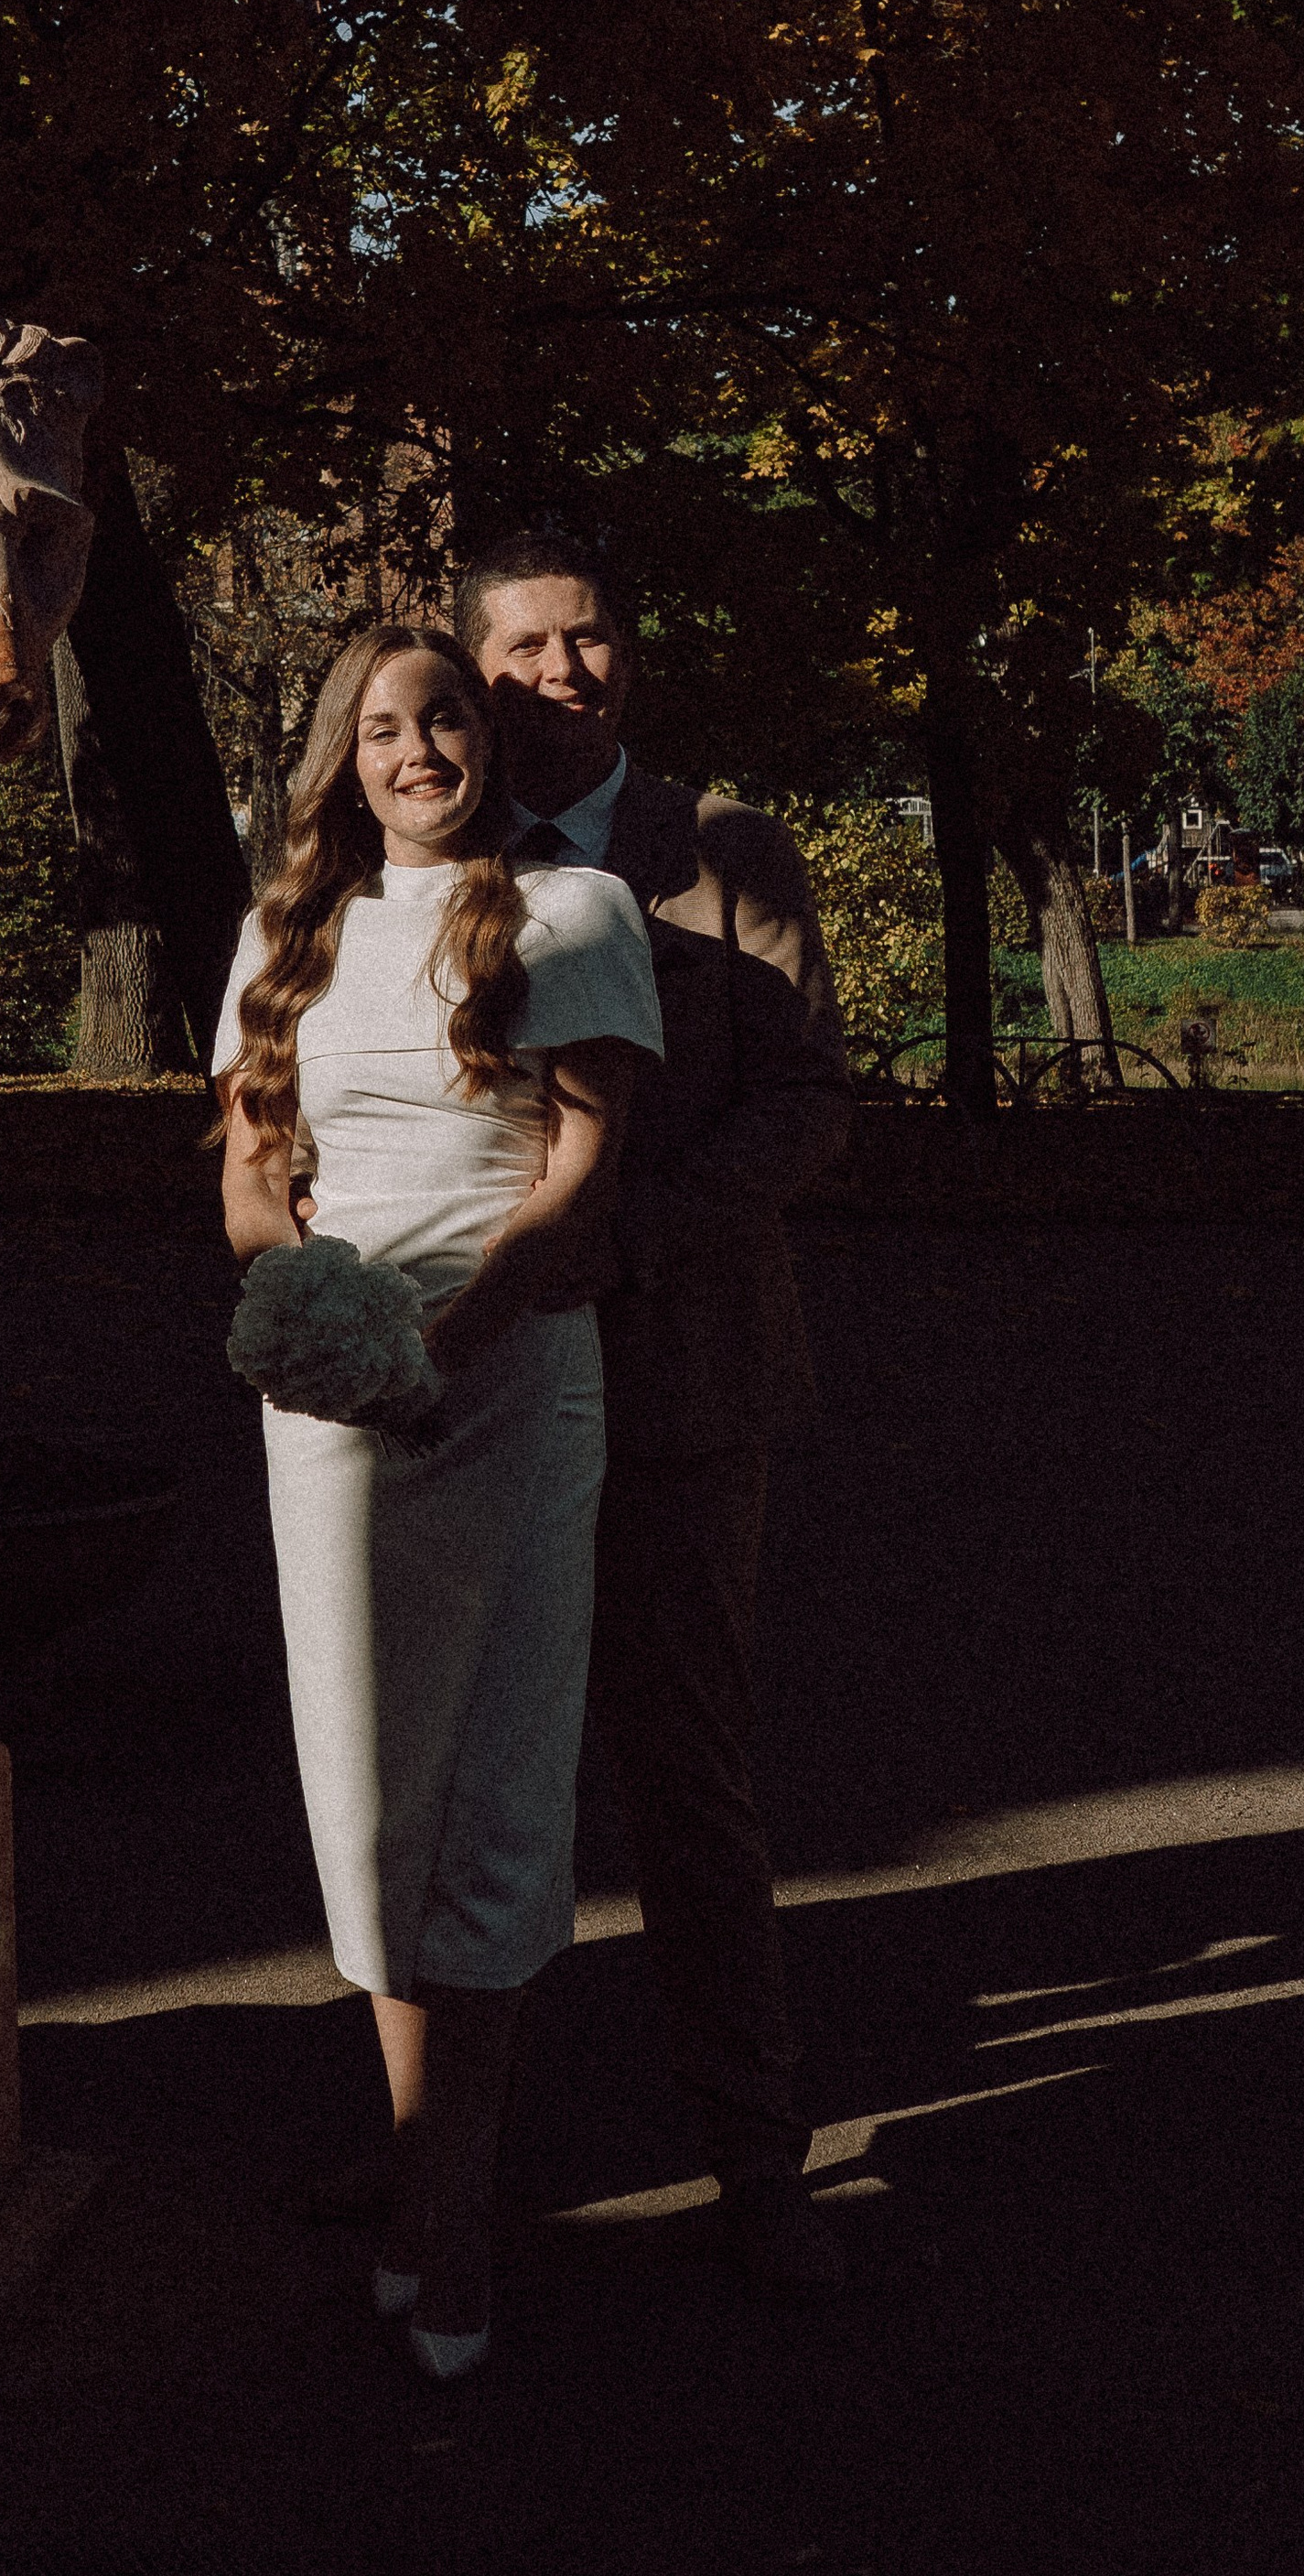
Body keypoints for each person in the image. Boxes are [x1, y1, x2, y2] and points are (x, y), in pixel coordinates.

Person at [213, 622, 664, 2378]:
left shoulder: (573, 913)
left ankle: (454, 2207)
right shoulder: (286, 934)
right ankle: (418, 2159)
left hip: (511, 1375)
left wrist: (459, 1331)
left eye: (448, 717)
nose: (419, 751)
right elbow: (255, 1178)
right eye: (384, 728)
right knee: (364, 1791)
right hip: (336, 1404)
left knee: (496, 1775)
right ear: (345, 758)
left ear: (489, 739)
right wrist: (307, 1317)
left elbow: (583, 1169)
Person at [456, 530, 855, 2298]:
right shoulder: (425, 847)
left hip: (679, 1380)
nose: (566, 671)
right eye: (527, 647)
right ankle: (440, 2151)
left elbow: (805, 1102)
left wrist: (626, 1240)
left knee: (685, 1775)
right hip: (472, 1386)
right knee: (460, 1771)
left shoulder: (721, 850)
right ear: (474, 673)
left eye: (592, 637)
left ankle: (755, 2157)